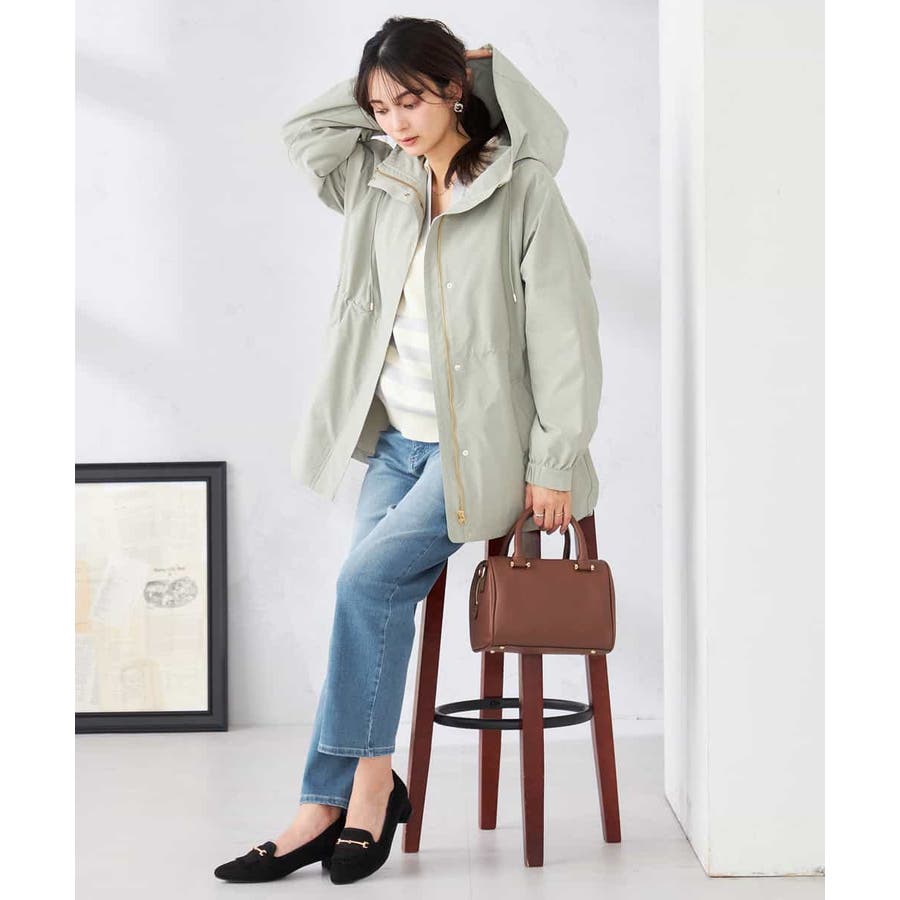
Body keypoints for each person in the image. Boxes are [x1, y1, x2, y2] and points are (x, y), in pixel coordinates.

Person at [214, 15, 602, 886]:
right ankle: (343, 798)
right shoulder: (377, 178)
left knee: (362, 583)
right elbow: (304, 132)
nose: (395, 122)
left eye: (413, 101)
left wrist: (555, 461)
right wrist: (385, 75)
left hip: (482, 452)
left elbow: (567, 339)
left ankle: (354, 796)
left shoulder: (521, 189)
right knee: (367, 596)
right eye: (380, 107)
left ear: (457, 91)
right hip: (396, 444)